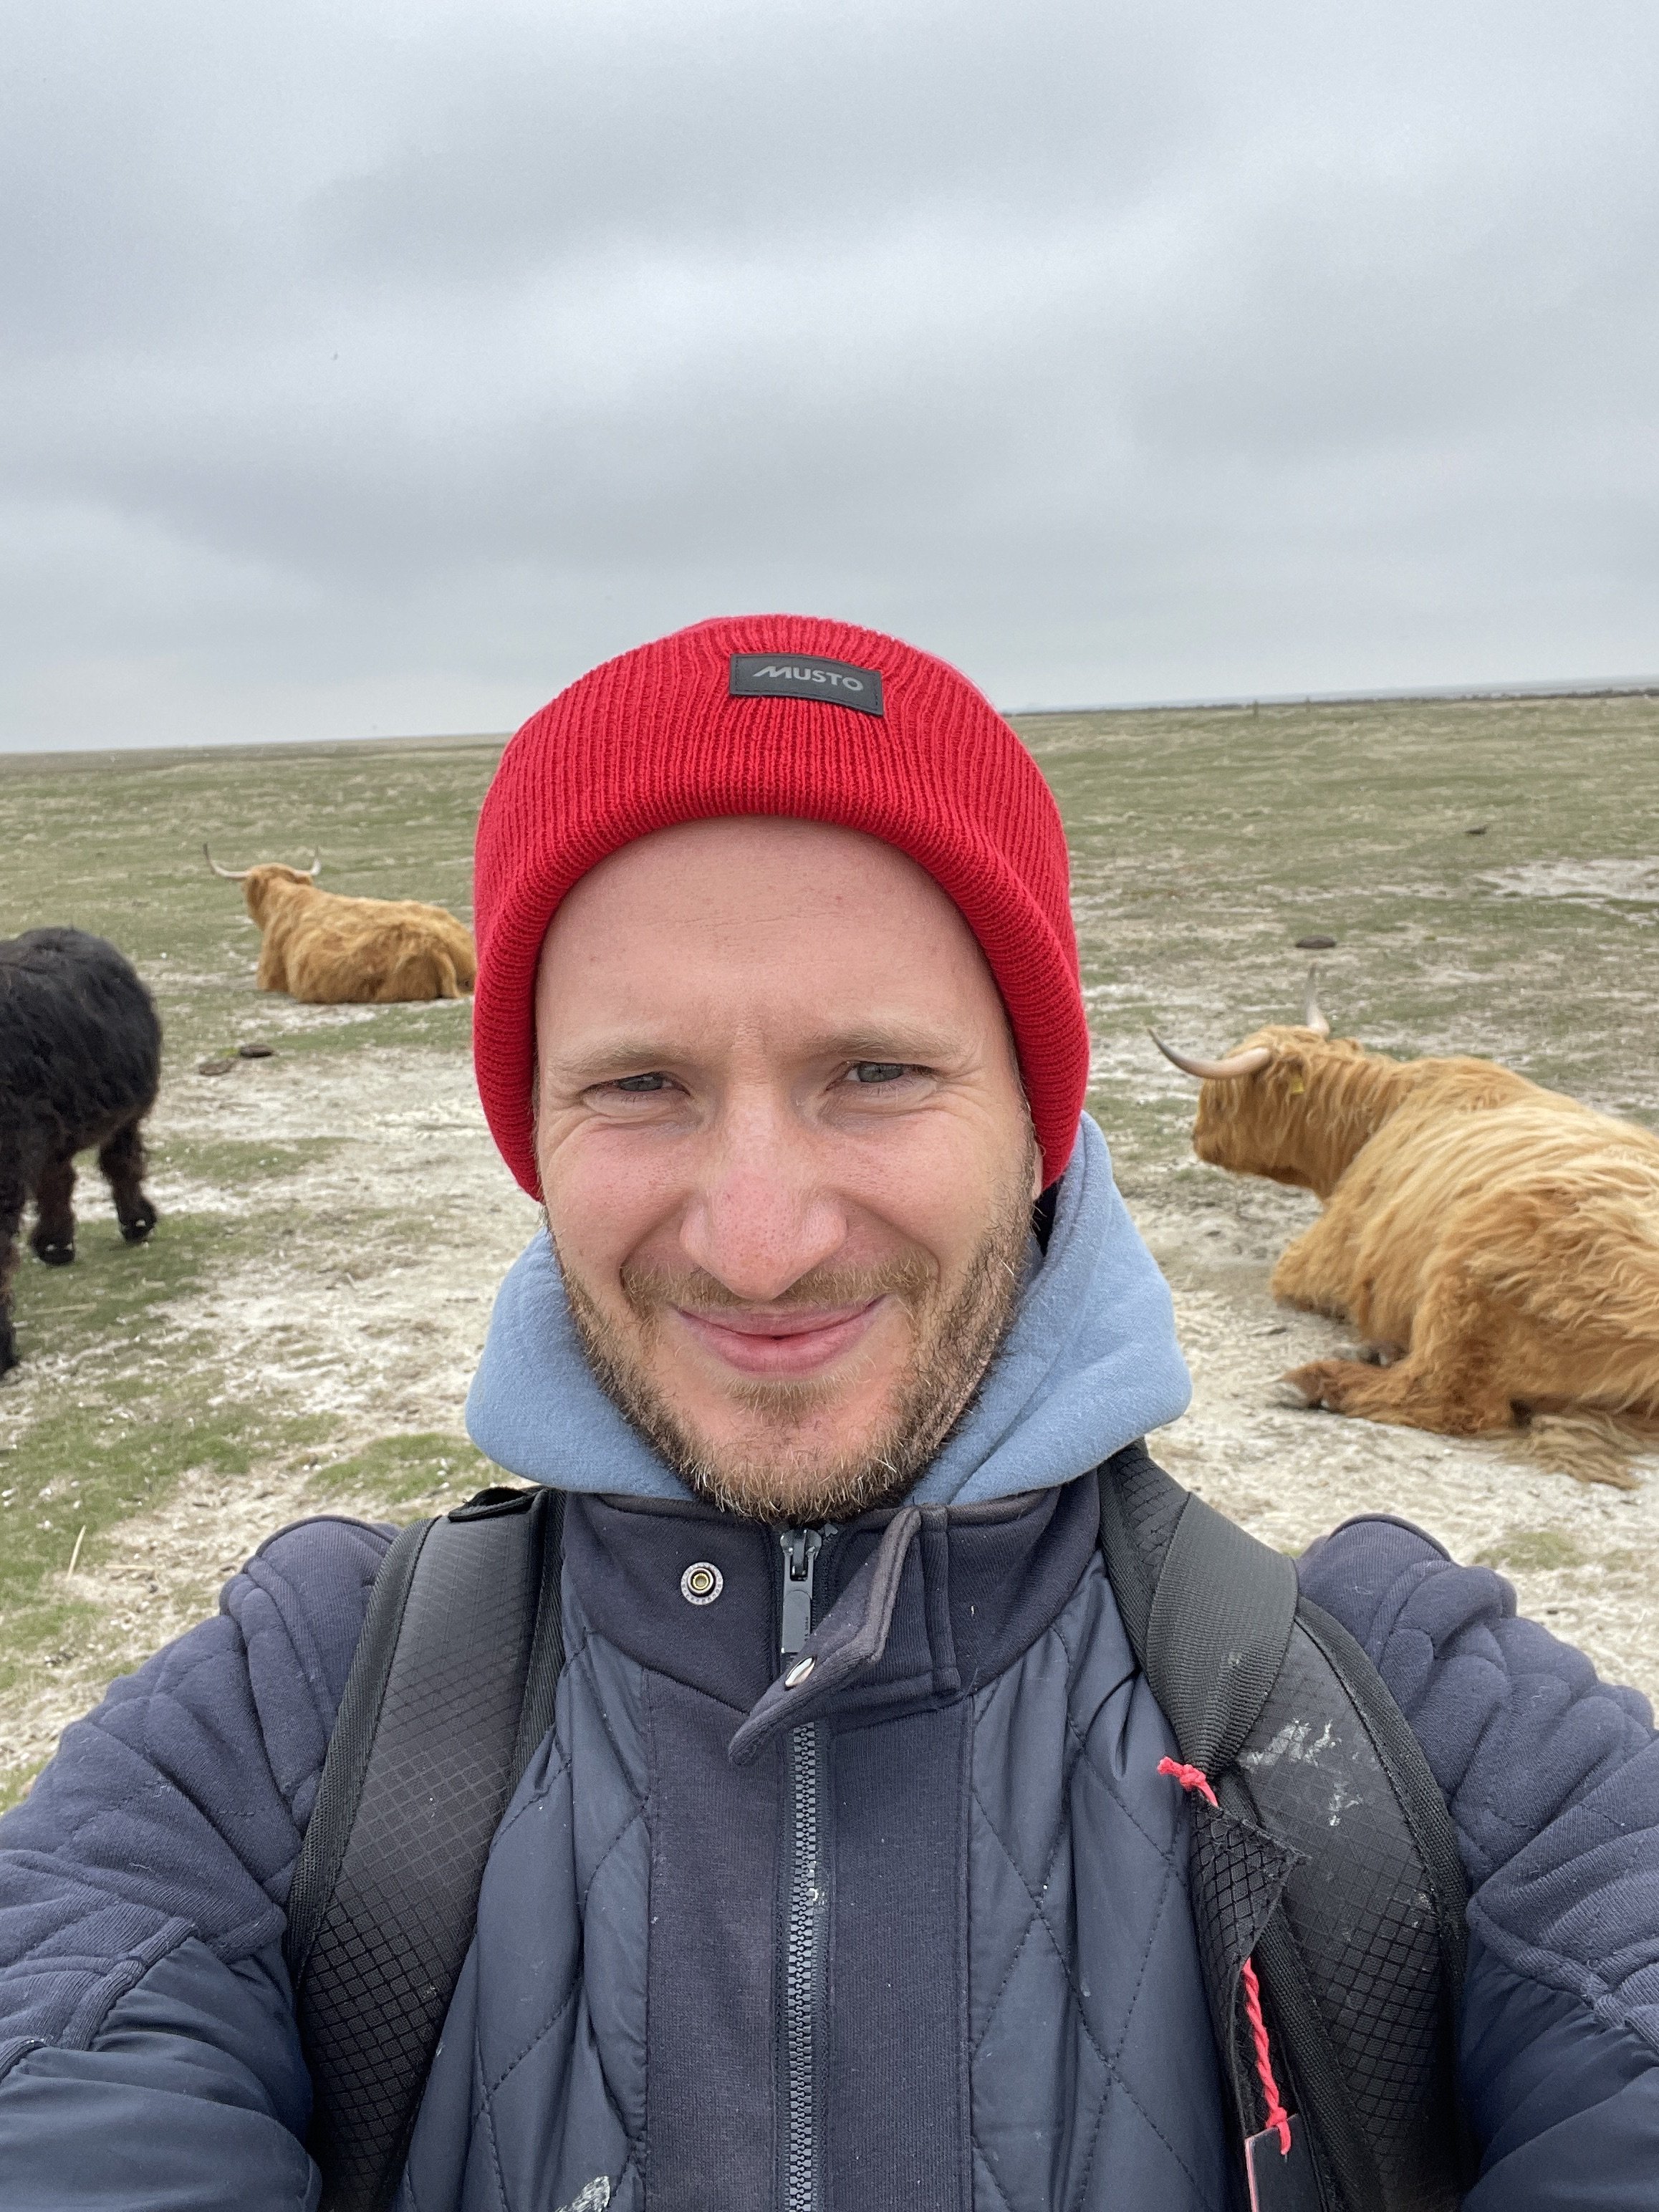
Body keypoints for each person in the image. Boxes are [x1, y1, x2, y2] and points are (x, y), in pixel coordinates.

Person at [1, 615, 1655, 2211]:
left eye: (875, 1070)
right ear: (533, 1140)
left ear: (1040, 1123)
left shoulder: (1408, 1707)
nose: (763, 1240)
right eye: (640, 1083)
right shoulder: (295, 1703)